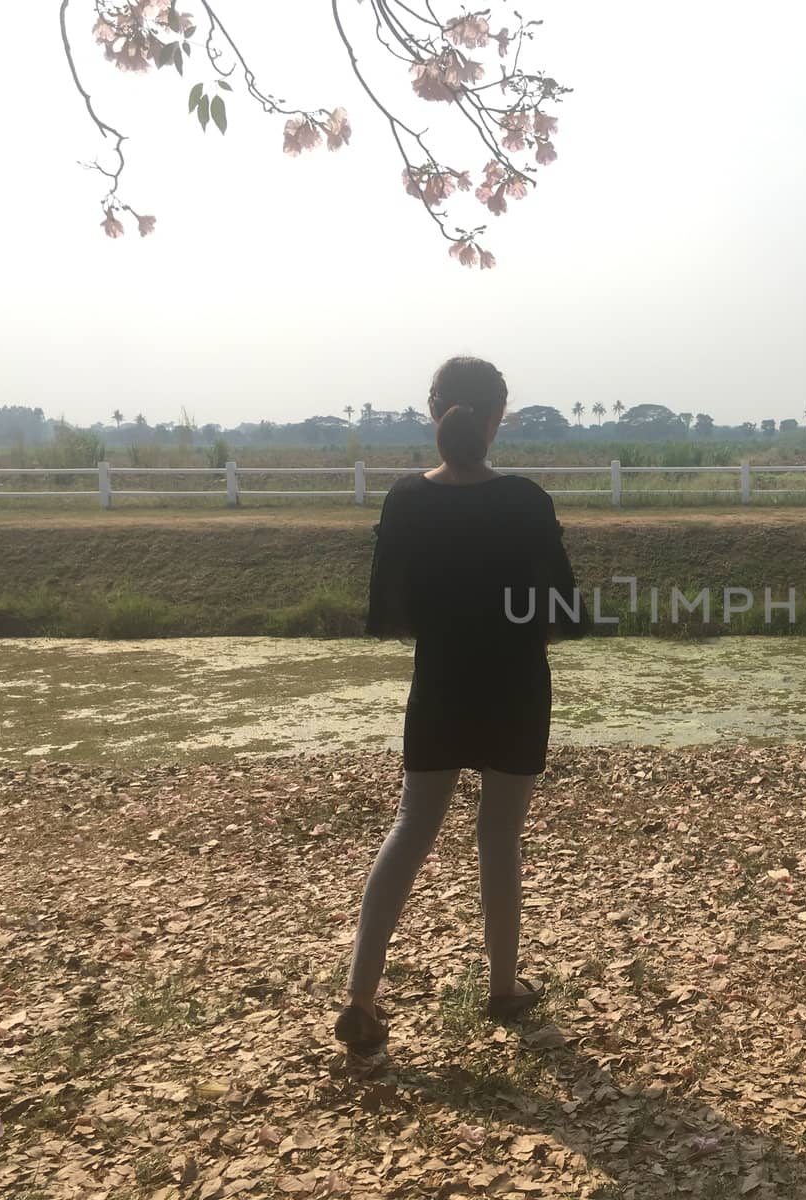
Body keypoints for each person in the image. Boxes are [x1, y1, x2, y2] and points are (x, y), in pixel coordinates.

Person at [335, 355, 586, 1059]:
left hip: (440, 681)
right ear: (498, 415)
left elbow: (390, 612)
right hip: (514, 684)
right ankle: (503, 989)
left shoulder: (406, 500)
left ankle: (360, 997)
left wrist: (448, 631)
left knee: (412, 825)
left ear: (433, 409)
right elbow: (566, 610)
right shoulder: (526, 500)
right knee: (499, 835)